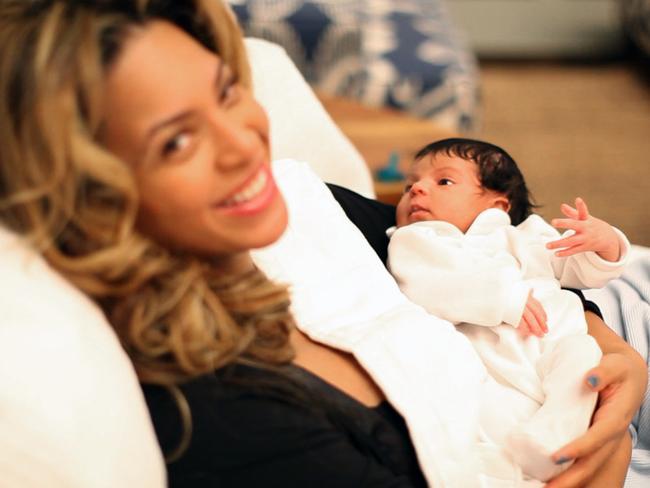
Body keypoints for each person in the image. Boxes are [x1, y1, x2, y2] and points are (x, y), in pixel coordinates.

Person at [0, 1, 645, 487]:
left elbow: (460, 243)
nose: (244, 142)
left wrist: (614, 361)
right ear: (94, 197)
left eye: (226, 92)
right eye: (177, 141)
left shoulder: (295, 205)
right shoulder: (223, 415)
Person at [386, 138, 630, 482]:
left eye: (443, 181)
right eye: (409, 185)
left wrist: (604, 244)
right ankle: (504, 465)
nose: (417, 190)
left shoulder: (526, 236)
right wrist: (505, 298)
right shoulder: (416, 241)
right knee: (479, 409)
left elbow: (577, 270)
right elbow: (427, 286)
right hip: (488, 360)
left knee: (584, 354)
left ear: (498, 206)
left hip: (549, 345)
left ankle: (551, 438)